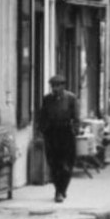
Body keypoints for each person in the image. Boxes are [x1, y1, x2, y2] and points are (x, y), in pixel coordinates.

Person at [37, 74, 81, 203]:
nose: (54, 89)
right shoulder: (47, 99)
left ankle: (61, 189)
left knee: (66, 164)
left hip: (66, 132)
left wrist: (75, 130)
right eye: (52, 86)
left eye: (57, 86)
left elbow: (76, 117)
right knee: (53, 163)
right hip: (52, 133)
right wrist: (42, 130)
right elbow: (42, 116)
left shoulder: (71, 98)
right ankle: (58, 189)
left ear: (63, 86)